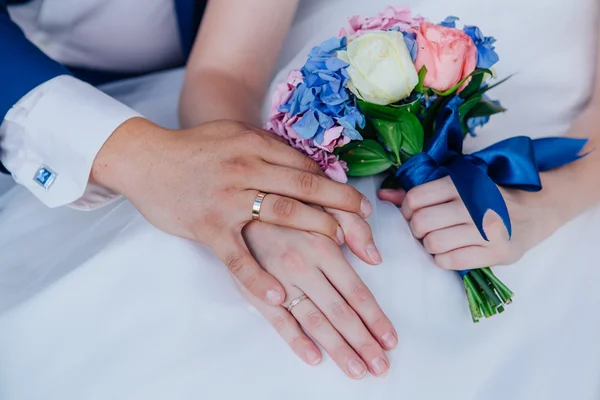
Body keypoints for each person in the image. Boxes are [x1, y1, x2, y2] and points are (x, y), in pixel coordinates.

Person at [0, 0, 599, 398]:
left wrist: (550, 203)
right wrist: (250, 192)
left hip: (554, 163)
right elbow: (225, 73)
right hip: (303, 124)